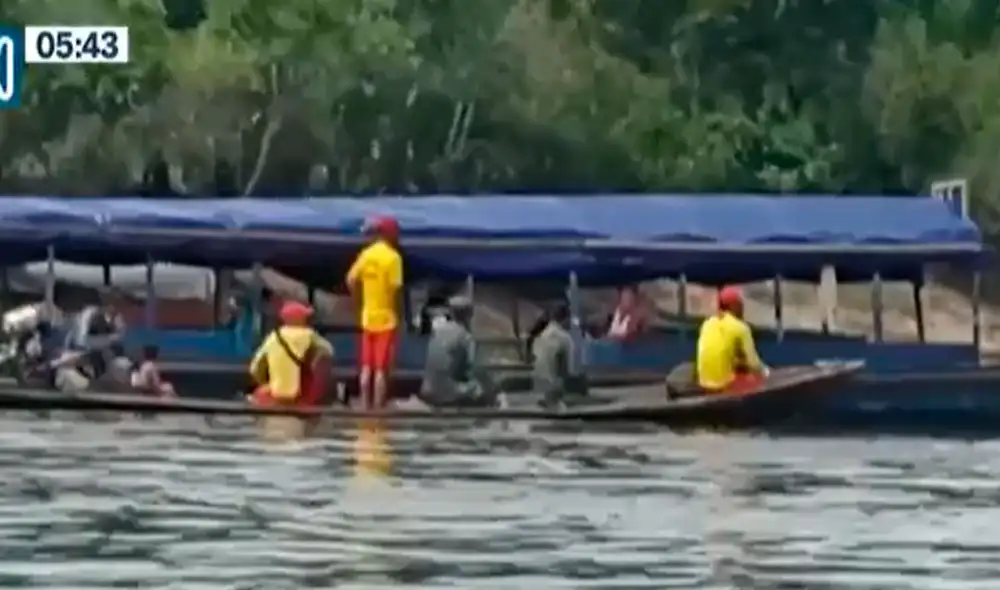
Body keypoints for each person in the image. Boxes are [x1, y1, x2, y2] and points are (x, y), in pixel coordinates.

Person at [346, 216, 403, 410]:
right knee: (381, 368)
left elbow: (351, 280)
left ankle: (364, 402)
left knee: (366, 367)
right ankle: (378, 406)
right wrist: (400, 317)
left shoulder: (366, 255)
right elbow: (396, 291)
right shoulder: (393, 257)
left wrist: (358, 301)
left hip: (367, 318)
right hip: (386, 319)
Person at [419, 296, 501, 408]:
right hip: (448, 392)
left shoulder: (437, 332)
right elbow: (478, 370)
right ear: (469, 315)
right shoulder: (465, 337)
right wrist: (493, 390)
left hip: (427, 390)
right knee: (478, 388)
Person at [249, 300, 333, 407]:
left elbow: (254, 369)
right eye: (305, 317)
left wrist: (266, 382)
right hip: (301, 397)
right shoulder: (310, 336)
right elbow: (328, 351)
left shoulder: (273, 338)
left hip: (275, 396)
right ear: (300, 319)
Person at [695, 285, 770, 394]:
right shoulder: (741, 328)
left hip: (703, 384)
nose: (743, 306)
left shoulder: (707, 323)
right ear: (734, 306)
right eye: (740, 303)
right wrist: (766, 371)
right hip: (723, 386)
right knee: (755, 378)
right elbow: (753, 364)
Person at [64, 289, 129, 381]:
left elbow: (120, 338)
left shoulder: (117, 318)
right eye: (111, 302)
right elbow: (82, 340)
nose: (114, 306)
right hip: (81, 349)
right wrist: (109, 339)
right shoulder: (90, 313)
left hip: (102, 352)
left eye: (117, 303)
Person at [531, 303, 583, 409]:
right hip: (555, 388)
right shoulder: (565, 338)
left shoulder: (541, 336)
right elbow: (569, 369)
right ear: (566, 319)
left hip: (538, 385)